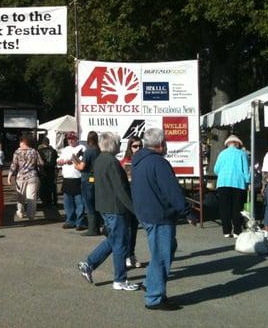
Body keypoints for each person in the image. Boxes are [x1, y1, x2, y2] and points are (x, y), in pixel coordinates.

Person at [131, 128, 197, 310]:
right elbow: (172, 191)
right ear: (160, 145)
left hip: (147, 213)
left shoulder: (139, 161)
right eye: (165, 142)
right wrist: (187, 212)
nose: (167, 145)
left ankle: (151, 284)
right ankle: (154, 297)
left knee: (164, 250)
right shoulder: (158, 163)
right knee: (162, 255)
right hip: (158, 215)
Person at [77, 132, 139, 291]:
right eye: (118, 142)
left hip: (106, 206)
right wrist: (135, 210)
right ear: (112, 144)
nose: (119, 145)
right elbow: (121, 190)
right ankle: (120, 279)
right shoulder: (112, 162)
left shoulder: (99, 160)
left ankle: (89, 264)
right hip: (115, 207)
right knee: (120, 243)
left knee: (114, 240)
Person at [214, 134, 250, 238]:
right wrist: (248, 181)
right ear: (237, 143)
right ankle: (237, 231)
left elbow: (216, 169)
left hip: (223, 183)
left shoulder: (222, 154)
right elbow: (246, 170)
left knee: (224, 207)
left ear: (228, 144)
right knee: (237, 207)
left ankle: (226, 231)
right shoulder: (242, 154)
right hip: (238, 183)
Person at [119, 136, 144, 267]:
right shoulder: (124, 162)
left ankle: (131, 254)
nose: (138, 148)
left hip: (138, 198)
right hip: (127, 199)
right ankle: (126, 255)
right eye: (135, 146)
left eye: (139, 146)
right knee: (127, 229)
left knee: (134, 229)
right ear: (129, 147)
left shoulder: (144, 159)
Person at [73, 131, 101, 236]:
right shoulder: (98, 150)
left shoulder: (89, 151)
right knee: (95, 204)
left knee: (89, 205)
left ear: (88, 140)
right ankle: (97, 227)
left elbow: (82, 167)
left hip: (87, 179)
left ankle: (92, 229)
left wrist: (75, 164)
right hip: (95, 179)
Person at [8, 136, 43, 220]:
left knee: (21, 196)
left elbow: (14, 165)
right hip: (32, 176)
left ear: (23, 143)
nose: (19, 144)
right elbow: (41, 163)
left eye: (20, 142)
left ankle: (20, 211)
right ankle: (31, 215)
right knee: (32, 196)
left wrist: (9, 176)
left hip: (21, 177)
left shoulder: (17, 152)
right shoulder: (34, 151)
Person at [57, 131, 87, 231]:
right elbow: (59, 161)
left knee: (79, 202)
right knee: (68, 202)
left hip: (77, 177)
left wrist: (69, 161)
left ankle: (80, 222)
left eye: (72, 138)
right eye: (69, 139)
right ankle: (70, 221)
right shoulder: (65, 149)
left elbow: (81, 160)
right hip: (67, 178)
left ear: (76, 139)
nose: (70, 140)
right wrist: (60, 162)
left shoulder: (82, 148)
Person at [37, 137, 58, 211]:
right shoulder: (54, 151)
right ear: (49, 143)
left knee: (43, 186)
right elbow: (55, 162)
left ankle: (44, 202)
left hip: (42, 171)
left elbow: (38, 163)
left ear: (43, 143)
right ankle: (51, 202)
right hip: (51, 171)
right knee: (51, 187)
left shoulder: (39, 151)